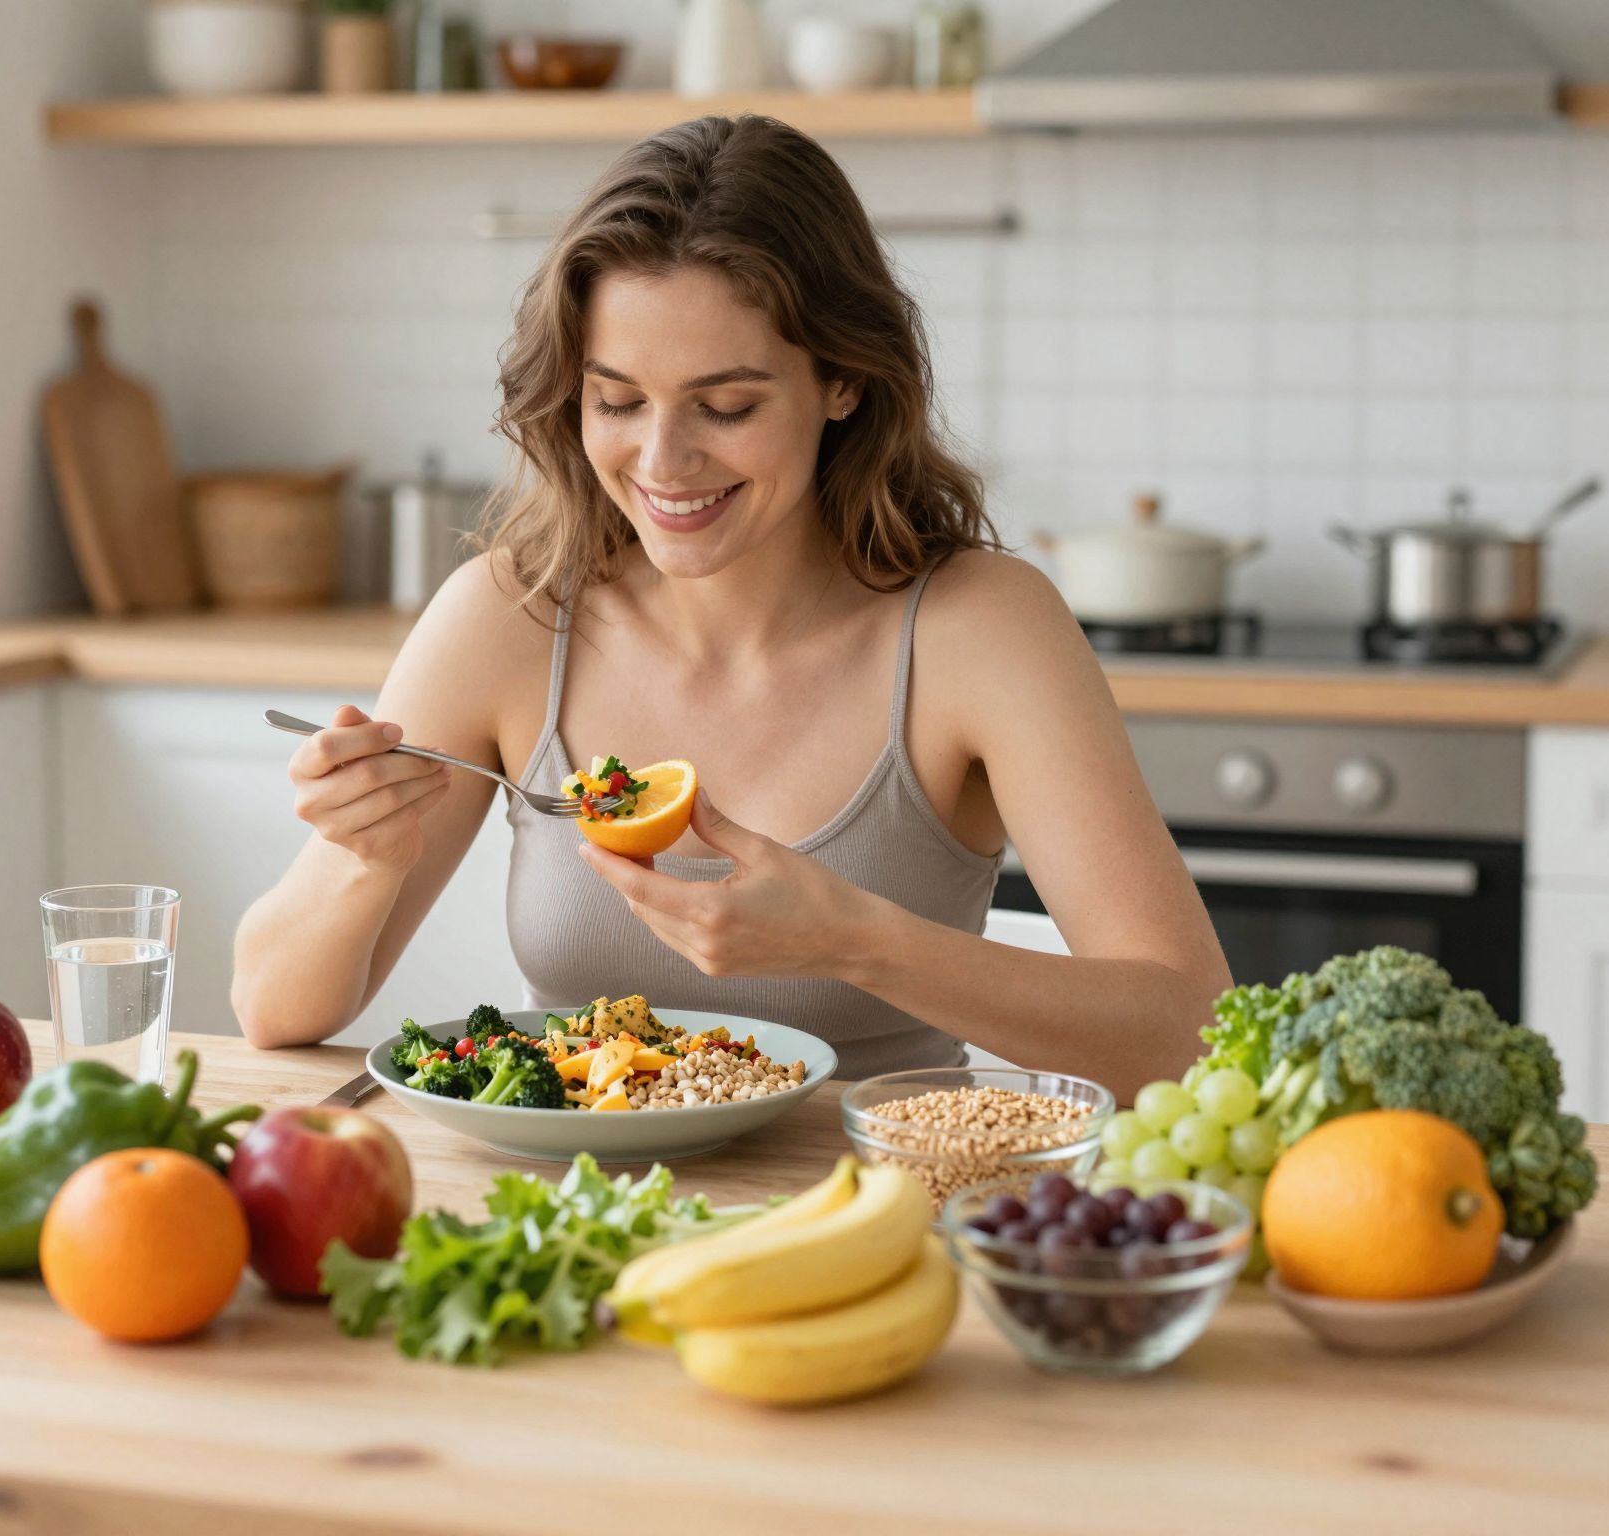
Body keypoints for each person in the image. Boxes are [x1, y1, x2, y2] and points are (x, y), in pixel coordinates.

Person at [232, 115, 1229, 1094]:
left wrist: (856, 942)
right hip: (583, 1232)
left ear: (841, 378)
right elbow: (270, 1008)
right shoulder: (508, 615)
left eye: (727, 406)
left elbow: (1189, 1034)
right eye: (616, 400)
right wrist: (361, 858)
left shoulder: (979, 630)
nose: (662, 461)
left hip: (871, 1225)